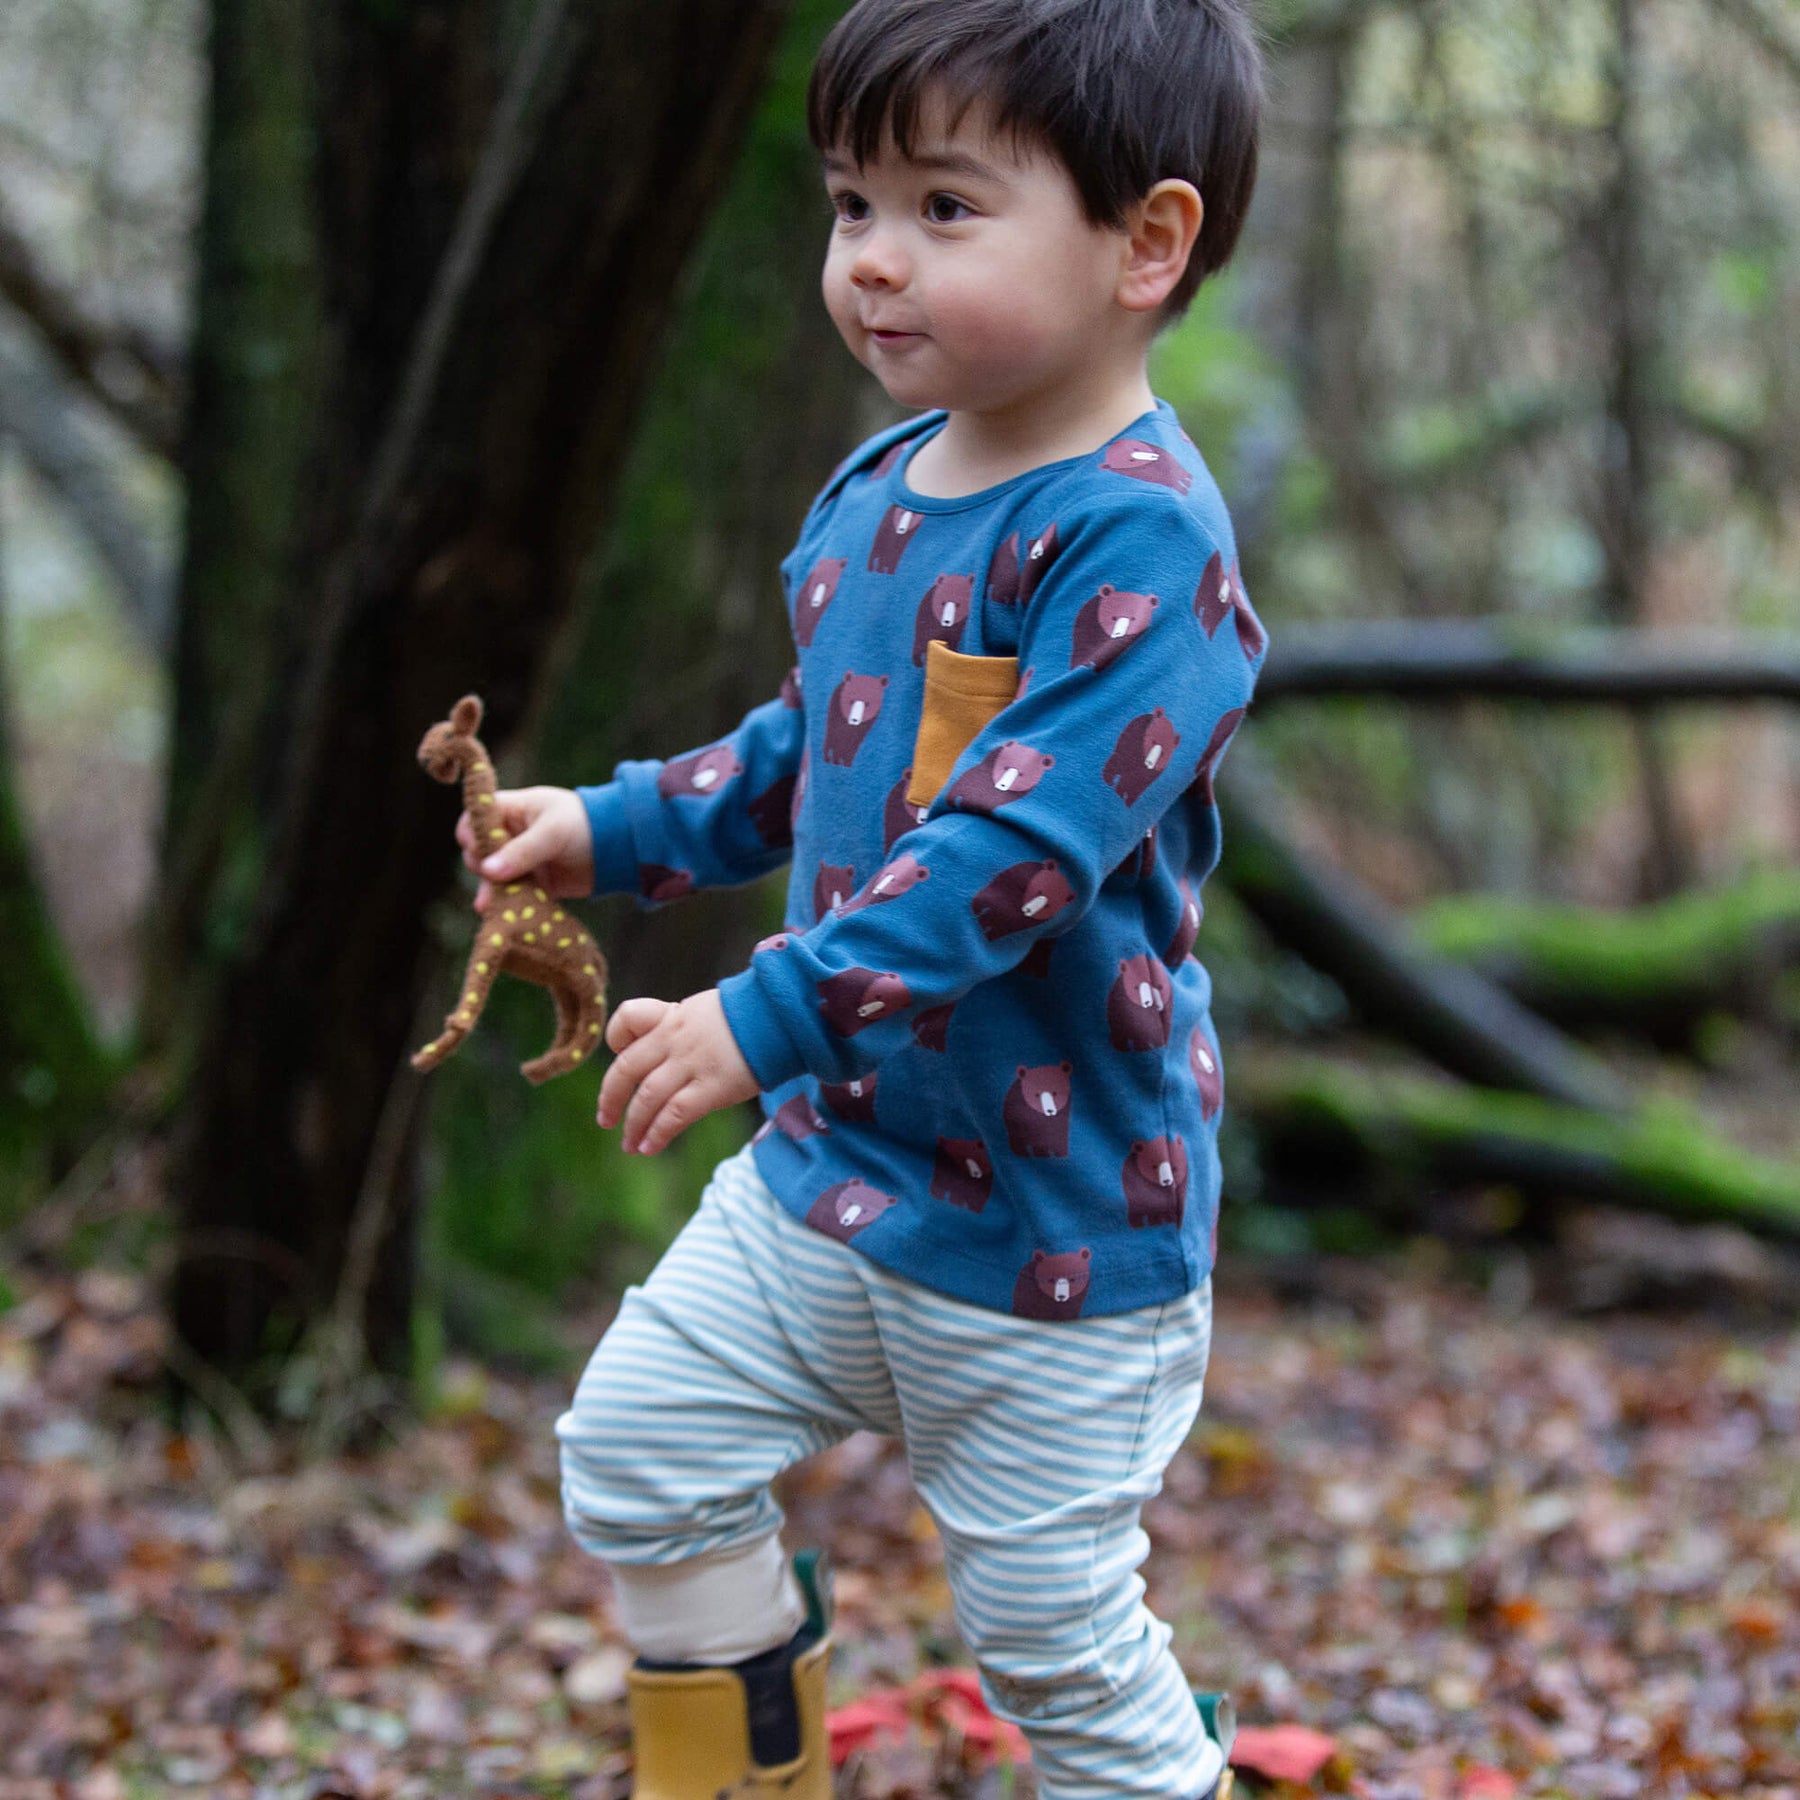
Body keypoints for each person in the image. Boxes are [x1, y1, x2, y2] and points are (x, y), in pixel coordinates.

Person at [456, 1, 1266, 1792]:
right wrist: (617, 824)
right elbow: (814, 746)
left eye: (945, 208)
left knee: (1055, 1646)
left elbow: (1006, 858)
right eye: (849, 204)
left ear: (1145, 244)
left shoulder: (1142, 543)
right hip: (833, 1179)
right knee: (639, 1455)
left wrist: (763, 1015)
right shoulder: (881, 489)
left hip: (1058, 1233)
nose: (874, 259)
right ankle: (745, 1771)